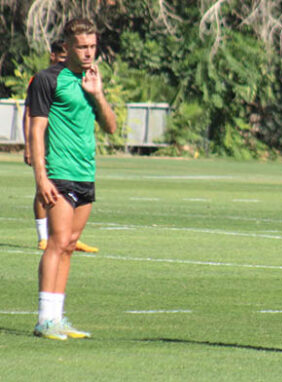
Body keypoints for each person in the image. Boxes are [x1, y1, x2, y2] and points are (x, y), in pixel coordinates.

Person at [28, 18, 116, 340]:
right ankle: (44, 320)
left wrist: (98, 94)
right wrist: (41, 176)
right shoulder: (48, 79)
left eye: (93, 46)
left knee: (68, 246)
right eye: (82, 46)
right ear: (67, 46)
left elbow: (111, 126)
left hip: (86, 174)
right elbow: (37, 130)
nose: (89, 52)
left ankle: (57, 317)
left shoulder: (91, 79)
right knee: (56, 242)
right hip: (60, 173)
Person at [23, 40, 99, 253]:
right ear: (53, 55)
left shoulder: (77, 78)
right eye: (61, 55)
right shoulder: (43, 78)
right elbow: (30, 114)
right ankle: (43, 236)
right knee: (44, 187)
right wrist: (29, 145)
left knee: (58, 190)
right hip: (48, 142)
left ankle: (69, 235)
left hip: (68, 146)